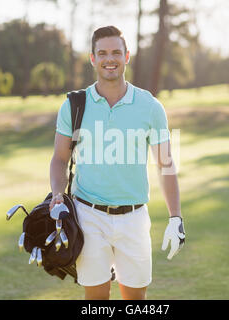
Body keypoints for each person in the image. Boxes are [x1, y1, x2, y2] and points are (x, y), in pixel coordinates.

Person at [49, 26, 185, 300]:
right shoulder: (75, 105)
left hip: (134, 218)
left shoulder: (150, 106)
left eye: (115, 53)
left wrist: (175, 217)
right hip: (88, 216)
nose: (109, 59)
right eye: (102, 53)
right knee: (97, 300)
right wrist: (56, 194)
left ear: (127, 56)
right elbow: (60, 158)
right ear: (92, 58)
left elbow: (165, 165)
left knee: (135, 300)